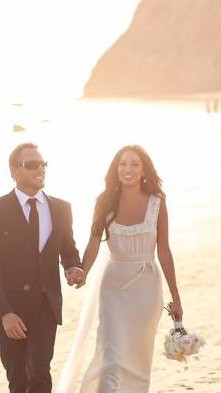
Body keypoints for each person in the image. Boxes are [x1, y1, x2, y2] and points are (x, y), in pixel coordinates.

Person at [0, 142, 85, 393]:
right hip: (9, 310)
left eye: (43, 164)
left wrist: (73, 267)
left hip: (45, 307)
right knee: (18, 382)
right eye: (32, 164)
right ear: (13, 170)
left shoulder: (61, 208)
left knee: (39, 374)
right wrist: (4, 314)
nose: (41, 169)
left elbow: (68, 250)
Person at [75, 145, 182, 392]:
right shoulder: (104, 202)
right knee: (112, 354)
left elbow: (164, 250)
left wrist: (176, 297)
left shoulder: (157, 202)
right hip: (113, 286)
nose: (128, 169)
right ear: (116, 169)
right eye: (122, 164)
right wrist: (83, 271)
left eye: (134, 164)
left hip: (146, 289)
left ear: (144, 170)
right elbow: (93, 241)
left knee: (137, 358)